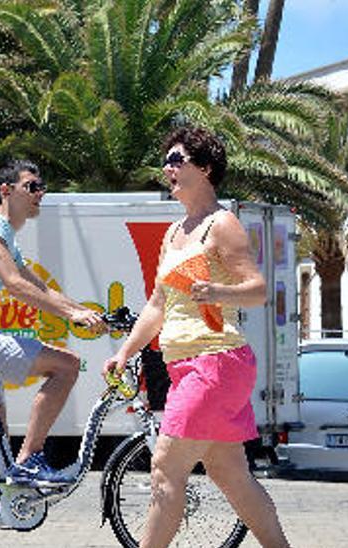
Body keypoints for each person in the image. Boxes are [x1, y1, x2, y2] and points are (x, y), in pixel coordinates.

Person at [103, 126, 289, 548]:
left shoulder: (222, 225)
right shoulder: (173, 233)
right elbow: (156, 306)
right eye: (166, 161)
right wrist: (125, 351)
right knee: (230, 474)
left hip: (217, 363)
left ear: (204, 169)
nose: (167, 168)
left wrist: (219, 292)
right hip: (186, 366)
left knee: (166, 465)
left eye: (177, 160)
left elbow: (259, 289)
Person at [0, 160, 107, 547]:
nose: (40, 193)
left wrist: (85, 312)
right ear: (6, 191)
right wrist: (73, 314)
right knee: (67, 366)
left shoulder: (6, 238)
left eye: (42, 187)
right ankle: (30, 459)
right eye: (32, 186)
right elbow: (14, 284)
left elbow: (39, 286)